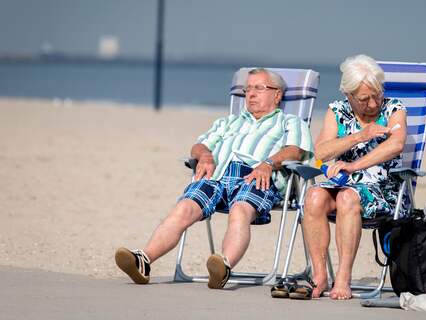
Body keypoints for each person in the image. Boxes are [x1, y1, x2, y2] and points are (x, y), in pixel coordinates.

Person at [115, 68, 313, 289]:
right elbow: (199, 146)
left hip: (254, 176)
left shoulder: (290, 122)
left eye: (259, 88)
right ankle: (144, 260)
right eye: (247, 89)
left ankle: (223, 265)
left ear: (277, 95)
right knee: (183, 208)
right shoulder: (228, 122)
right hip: (216, 174)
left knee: (240, 210)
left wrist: (268, 164)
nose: (251, 94)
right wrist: (205, 155)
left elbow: (294, 151)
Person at [303, 55, 407, 299]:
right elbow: (320, 152)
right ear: (348, 96)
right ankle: (319, 275)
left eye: (376, 95)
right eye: (363, 99)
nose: (372, 104)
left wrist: (354, 165)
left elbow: (396, 145)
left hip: (382, 187)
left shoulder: (394, 109)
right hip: (342, 183)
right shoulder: (336, 111)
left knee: (347, 198)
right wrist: (361, 136)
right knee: (314, 196)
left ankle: (343, 277)